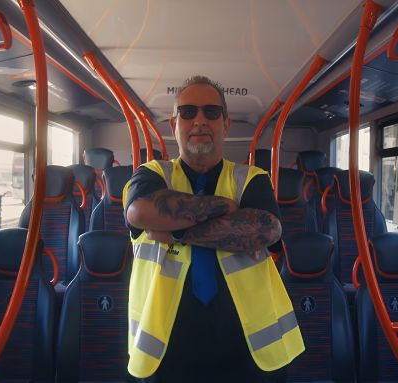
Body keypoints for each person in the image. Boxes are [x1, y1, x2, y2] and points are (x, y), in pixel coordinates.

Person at [123, 75, 304, 382]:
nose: (200, 121)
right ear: (174, 124)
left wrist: (177, 231)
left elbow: (265, 230)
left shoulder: (252, 178)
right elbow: (140, 212)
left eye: (211, 112)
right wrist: (227, 208)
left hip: (250, 353)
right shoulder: (151, 174)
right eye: (188, 112)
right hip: (164, 352)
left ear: (226, 124)